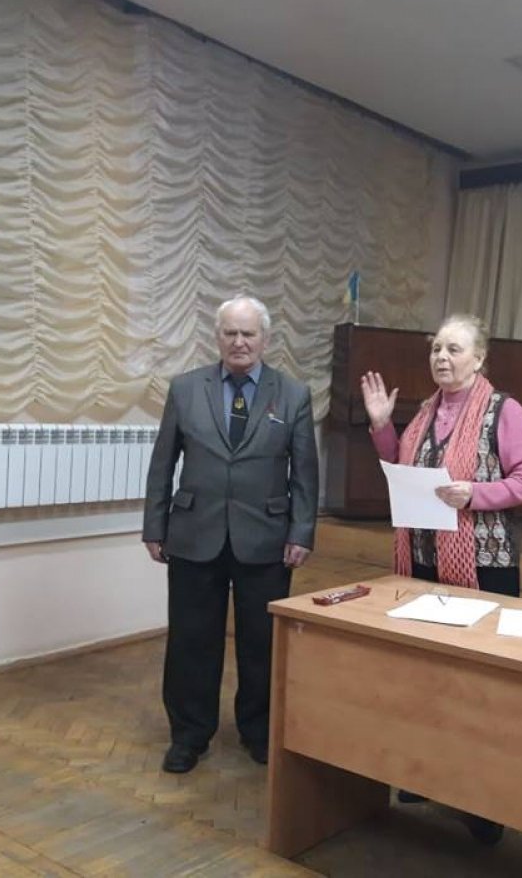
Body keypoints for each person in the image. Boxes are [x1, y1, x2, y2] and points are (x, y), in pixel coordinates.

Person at [360, 313, 522, 844]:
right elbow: (400, 467)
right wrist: (381, 426)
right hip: (423, 562)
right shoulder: (424, 411)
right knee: (427, 679)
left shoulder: (505, 411)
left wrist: (475, 494)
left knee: (477, 689)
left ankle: (484, 801)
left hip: (484, 566)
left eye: (454, 349)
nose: (441, 357)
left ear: (479, 358)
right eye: (436, 348)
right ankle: (428, 774)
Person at [142, 294, 318, 775]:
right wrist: (154, 524)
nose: (239, 342)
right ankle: (188, 735)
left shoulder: (293, 394)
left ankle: (259, 731)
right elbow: (162, 463)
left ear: (265, 338)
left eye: (248, 333)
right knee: (191, 642)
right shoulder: (185, 389)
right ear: (217, 337)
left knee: (262, 643)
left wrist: (302, 532)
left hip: (266, 539)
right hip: (193, 534)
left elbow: (305, 473)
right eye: (230, 333)